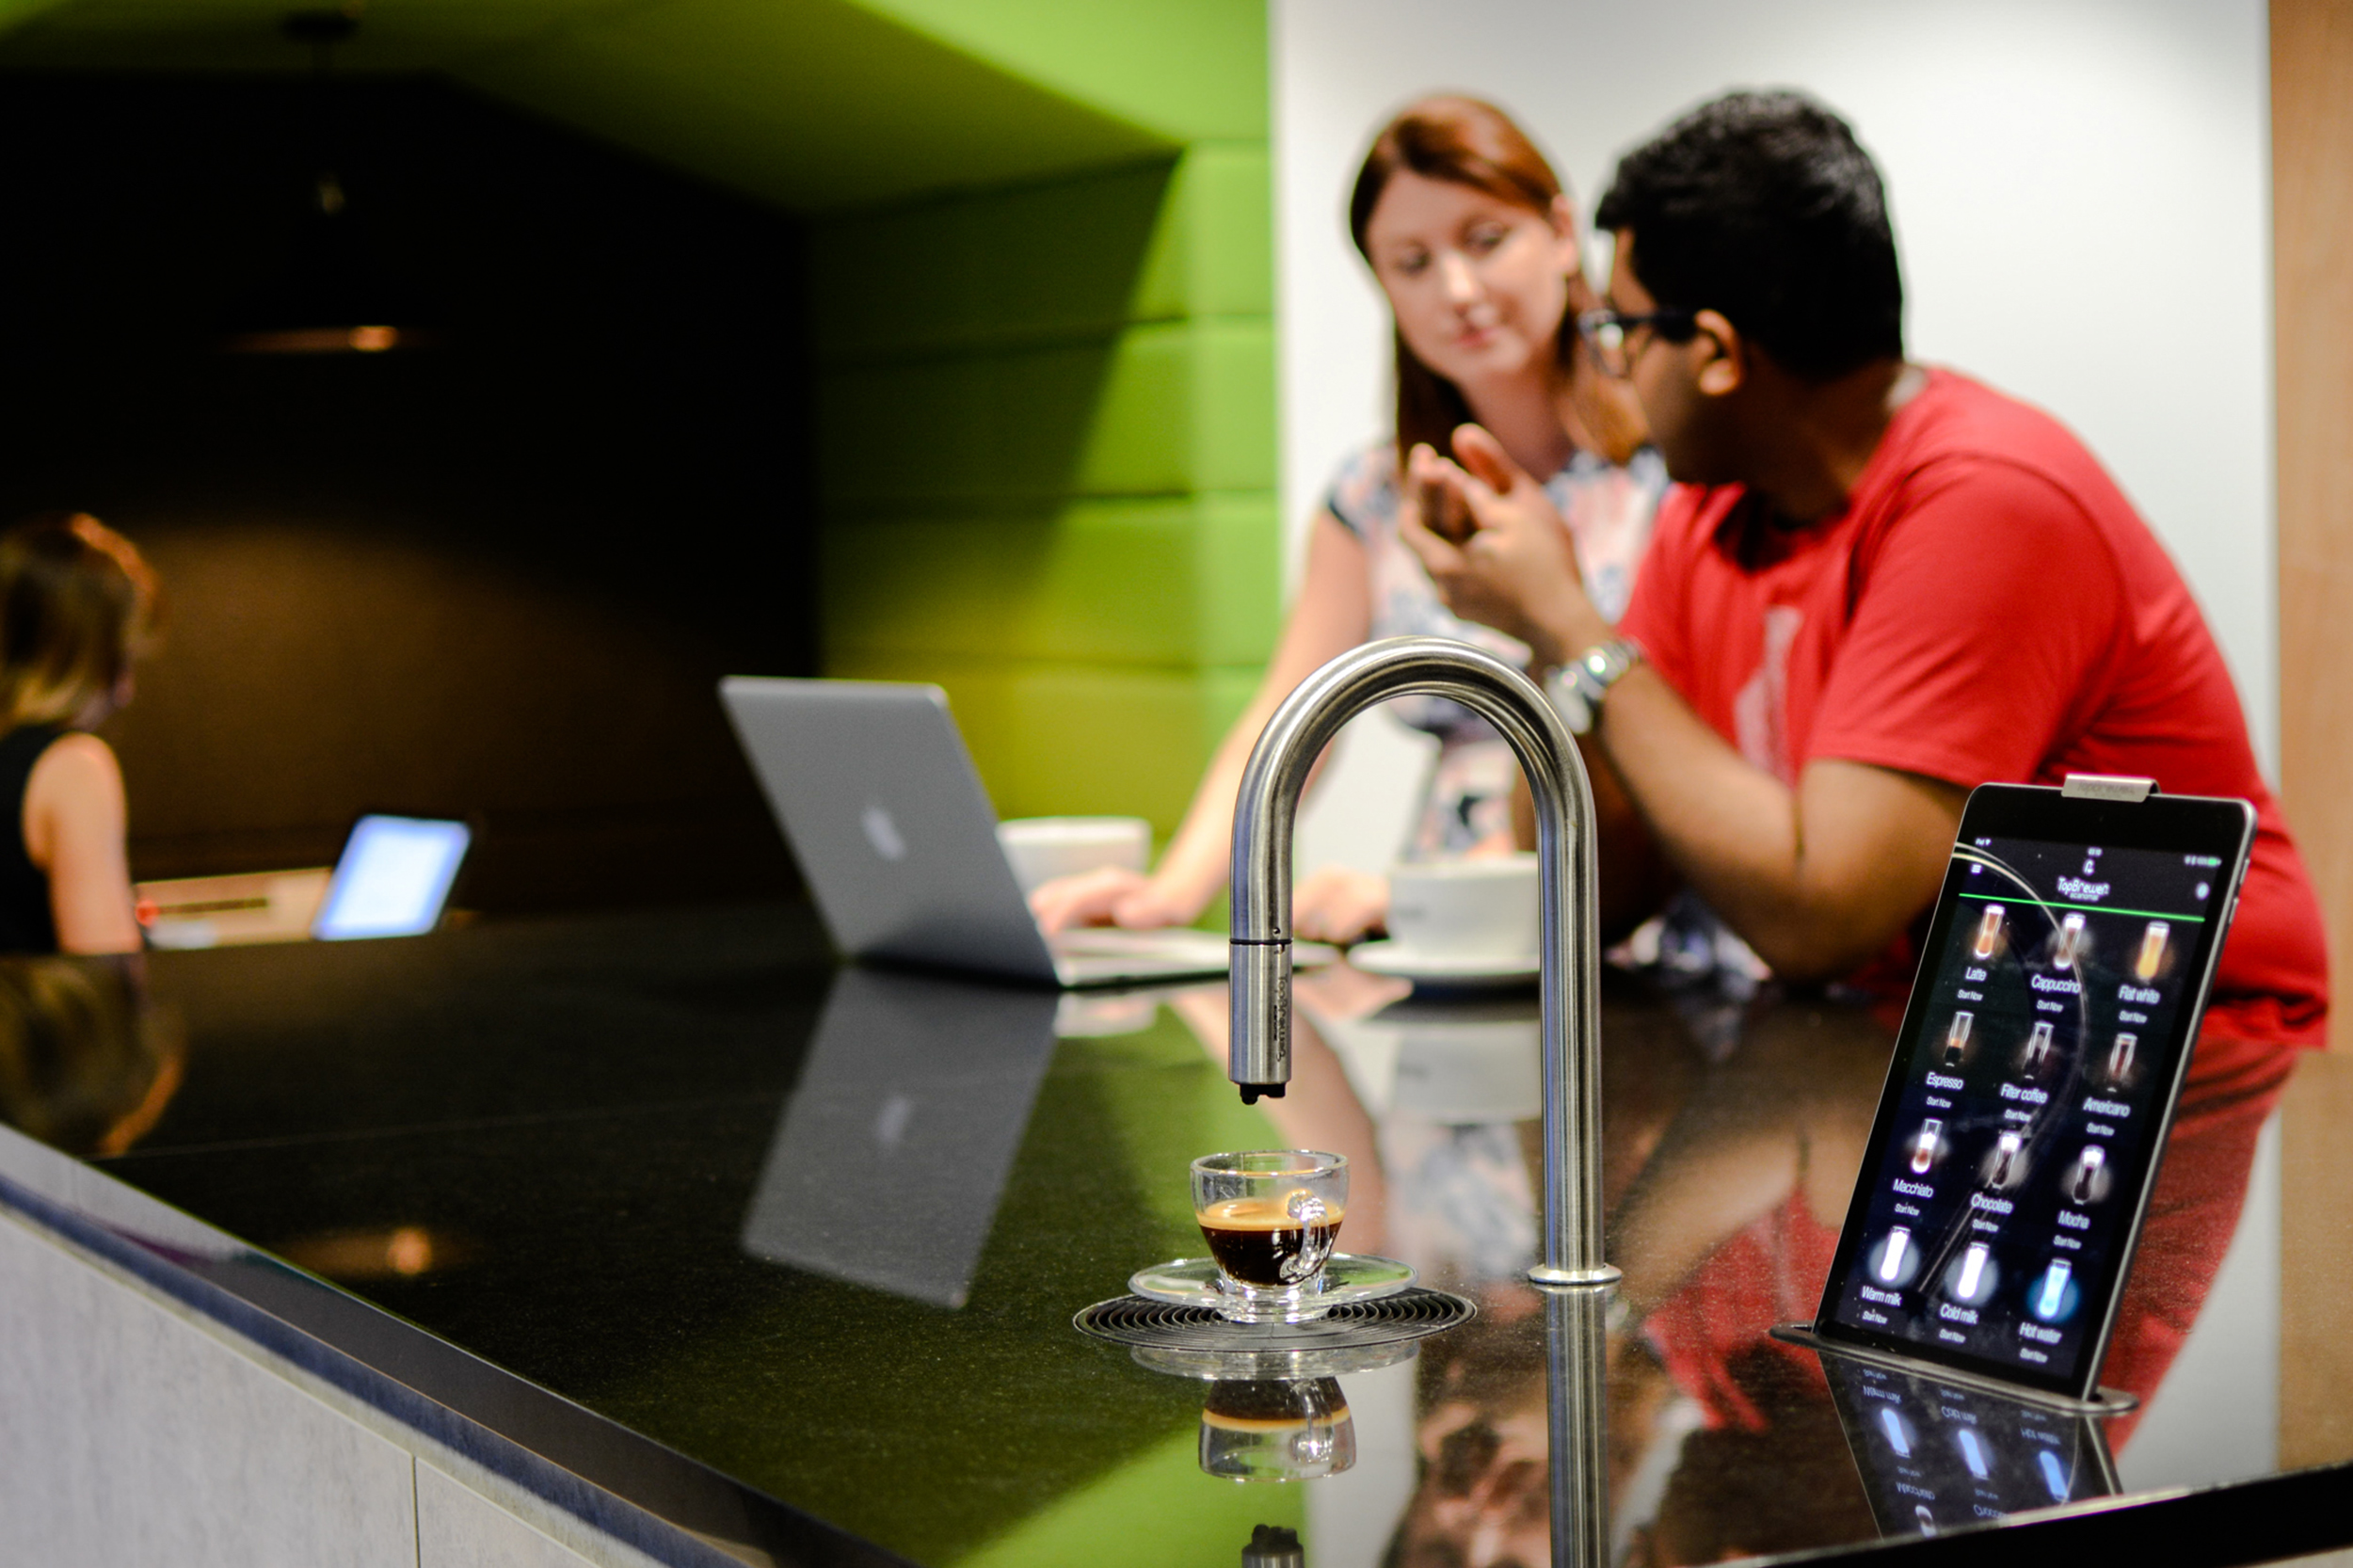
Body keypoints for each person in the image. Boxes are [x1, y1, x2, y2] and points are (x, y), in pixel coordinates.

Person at [1402, 89, 2327, 1078]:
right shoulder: (1714, 509)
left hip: (2179, 1069)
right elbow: (1593, 890)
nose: (1615, 365)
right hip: (1937, 1057)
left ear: (1714, 353)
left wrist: (1566, 620)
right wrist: (1545, 630)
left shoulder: (1987, 501)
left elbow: (1820, 914)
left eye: (1623, 330)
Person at [1030, 96, 1665, 943]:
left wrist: (1444, 895)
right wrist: (1170, 896)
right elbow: (1292, 724)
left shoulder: (1669, 464)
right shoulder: (1373, 496)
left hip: (1620, 919)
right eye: (1412, 263)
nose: (1458, 291)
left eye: (1486, 241)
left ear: (1558, 232)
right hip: (1439, 936)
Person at [0, 513, 159, 955]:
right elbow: (105, 974)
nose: (125, 691)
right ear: (77, 658)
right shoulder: (72, 767)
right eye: (120, 658)